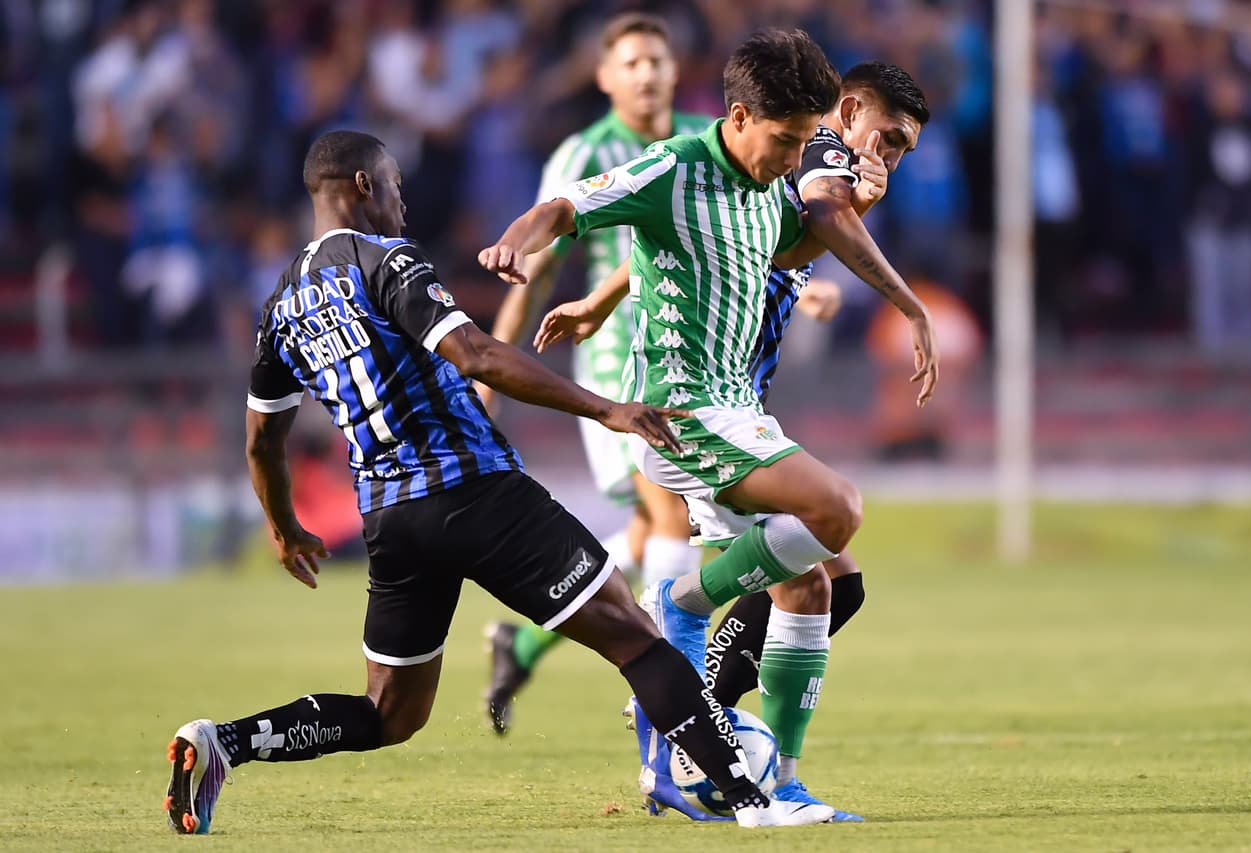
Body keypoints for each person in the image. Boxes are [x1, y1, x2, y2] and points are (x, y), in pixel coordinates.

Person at [161, 130, 835, 835]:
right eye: (395, 186)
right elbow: (477, 354)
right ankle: (754, 801)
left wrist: (282, 526)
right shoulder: (386, 260)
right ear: (363, 186)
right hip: (475, 490)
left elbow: (261, 439)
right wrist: (607, 409)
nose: (401, 204)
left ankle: (224, 742)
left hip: (391, 519)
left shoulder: (281, 304)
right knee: (638, 639)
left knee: (391, 712)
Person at [481, 31, 937, 818]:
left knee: (817, 584)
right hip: (686, 407)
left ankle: (769, 775)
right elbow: (571, 206)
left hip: (738, 402)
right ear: (845, 109)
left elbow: (750, 244)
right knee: (835, 510)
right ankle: (684, 617)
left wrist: (599, 300)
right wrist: (516, 242)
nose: (799, 156)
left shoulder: (768, 174)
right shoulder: (807, 152)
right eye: (888, 137)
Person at [478, 12, 715, 737]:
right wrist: (490, 370)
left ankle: (521, 642)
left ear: (675, 71)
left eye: (657, 60)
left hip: (696, 353)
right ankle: (674, 703)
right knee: (672, 516)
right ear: (605, 77)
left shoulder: (704, 138)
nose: (647, 74)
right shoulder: (584, 153)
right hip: (619, 361)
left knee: (651, 527)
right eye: (631, 63)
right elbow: (538, 269)